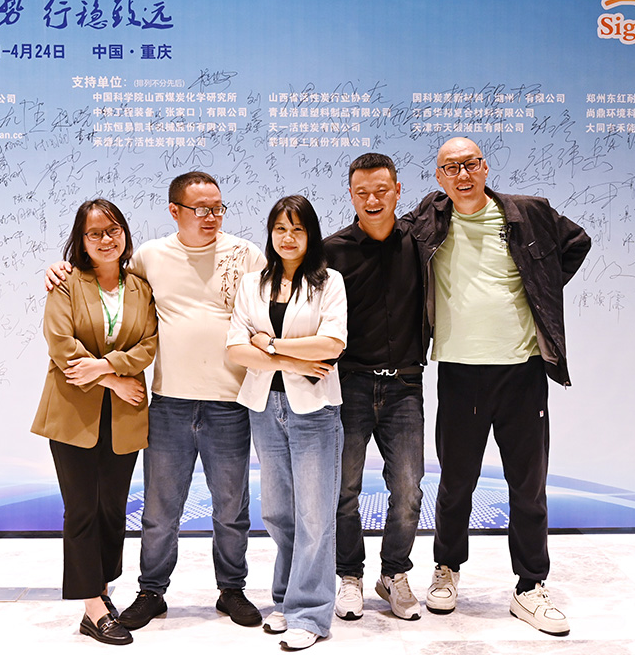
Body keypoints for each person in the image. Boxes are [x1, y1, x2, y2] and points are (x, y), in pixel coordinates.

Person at [46, 172, 266, 630]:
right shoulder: (150, 256)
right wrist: (59, 269)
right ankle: (151, 591)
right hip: (169, 403)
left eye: (217, 208)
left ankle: (232, 588)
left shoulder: (246, 254)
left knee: (231, 507)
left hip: (229, 402)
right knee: (160, 510)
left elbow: (265, 307)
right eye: (200, 209)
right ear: (174, 211)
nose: (211, 217)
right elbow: (101, 284)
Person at [404, 137, 590, 636]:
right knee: (456, 482)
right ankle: (446, 568)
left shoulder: (528, 212)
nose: (462, 175)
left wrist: (540, 283)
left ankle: (530, 586)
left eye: (470, 164)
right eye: (451, 167)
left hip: (521, 370)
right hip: (460, 371)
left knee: (527, 485)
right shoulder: (426, 222)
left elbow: (578, 243)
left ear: (485, 167)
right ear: (439, 177)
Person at [32, 198, 159, 646]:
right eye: (95, 233)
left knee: (112, 509)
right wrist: (112, 381)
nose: (106, 239)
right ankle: (92, 608)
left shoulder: (140, 287)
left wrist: (105, 370)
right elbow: (60, 344)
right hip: (72, 413)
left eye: (113, 230)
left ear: (124, 233)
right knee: (82, 508)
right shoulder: (66, 283)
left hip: (125, 414)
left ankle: (102, 589)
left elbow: (148, 344)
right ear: (81, 241)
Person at [226, 195, 348, 651]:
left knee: (315, 515)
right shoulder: (253, 283)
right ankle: (286, 598)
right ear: (271, 233)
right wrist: (292, 359)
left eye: (298, 229)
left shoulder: (329, 282)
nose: (288, 237)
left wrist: (272, 345)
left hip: (314, 410)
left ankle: (311, 613)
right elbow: (236, 349)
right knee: (278, 512)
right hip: (264, 408)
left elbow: (332, 345)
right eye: (280, 228)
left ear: (311, 234)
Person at [323, 153, 426, 622]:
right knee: (344, 489)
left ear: (398, 191)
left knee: (408, 488)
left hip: (405, 385)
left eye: (381, 190)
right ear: (350, 195)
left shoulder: (421, 244)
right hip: (350, 386)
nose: (372, 200)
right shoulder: (332, 251)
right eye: (362, 192)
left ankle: (394, 574)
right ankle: (349, 576)